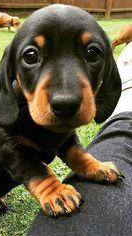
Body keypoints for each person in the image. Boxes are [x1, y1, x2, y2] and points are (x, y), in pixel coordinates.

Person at [27, 42, 132, 235]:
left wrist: (84, 163)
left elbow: (64, 140)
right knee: (122, 135)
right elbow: (11, 151)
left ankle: (125, 118)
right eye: (31, 57)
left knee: (115, 138)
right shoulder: (11, 121)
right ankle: (126, 115)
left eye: (91, 54)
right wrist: (48, 187)